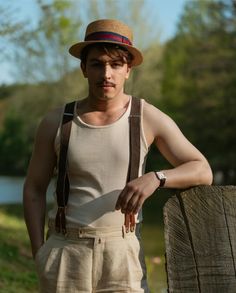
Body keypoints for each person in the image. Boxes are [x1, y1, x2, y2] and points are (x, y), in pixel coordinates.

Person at [23, 19, 213, 293]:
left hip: (122, 255)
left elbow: (201, 169)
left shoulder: (146, 117)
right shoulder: (57, 121)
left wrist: (156, 178)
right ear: (83, 68)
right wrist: (38, 251)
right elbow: (34, 188)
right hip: (64, 252)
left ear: (128, 69)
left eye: (115, 64)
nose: (106, 74)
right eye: (97, 64)